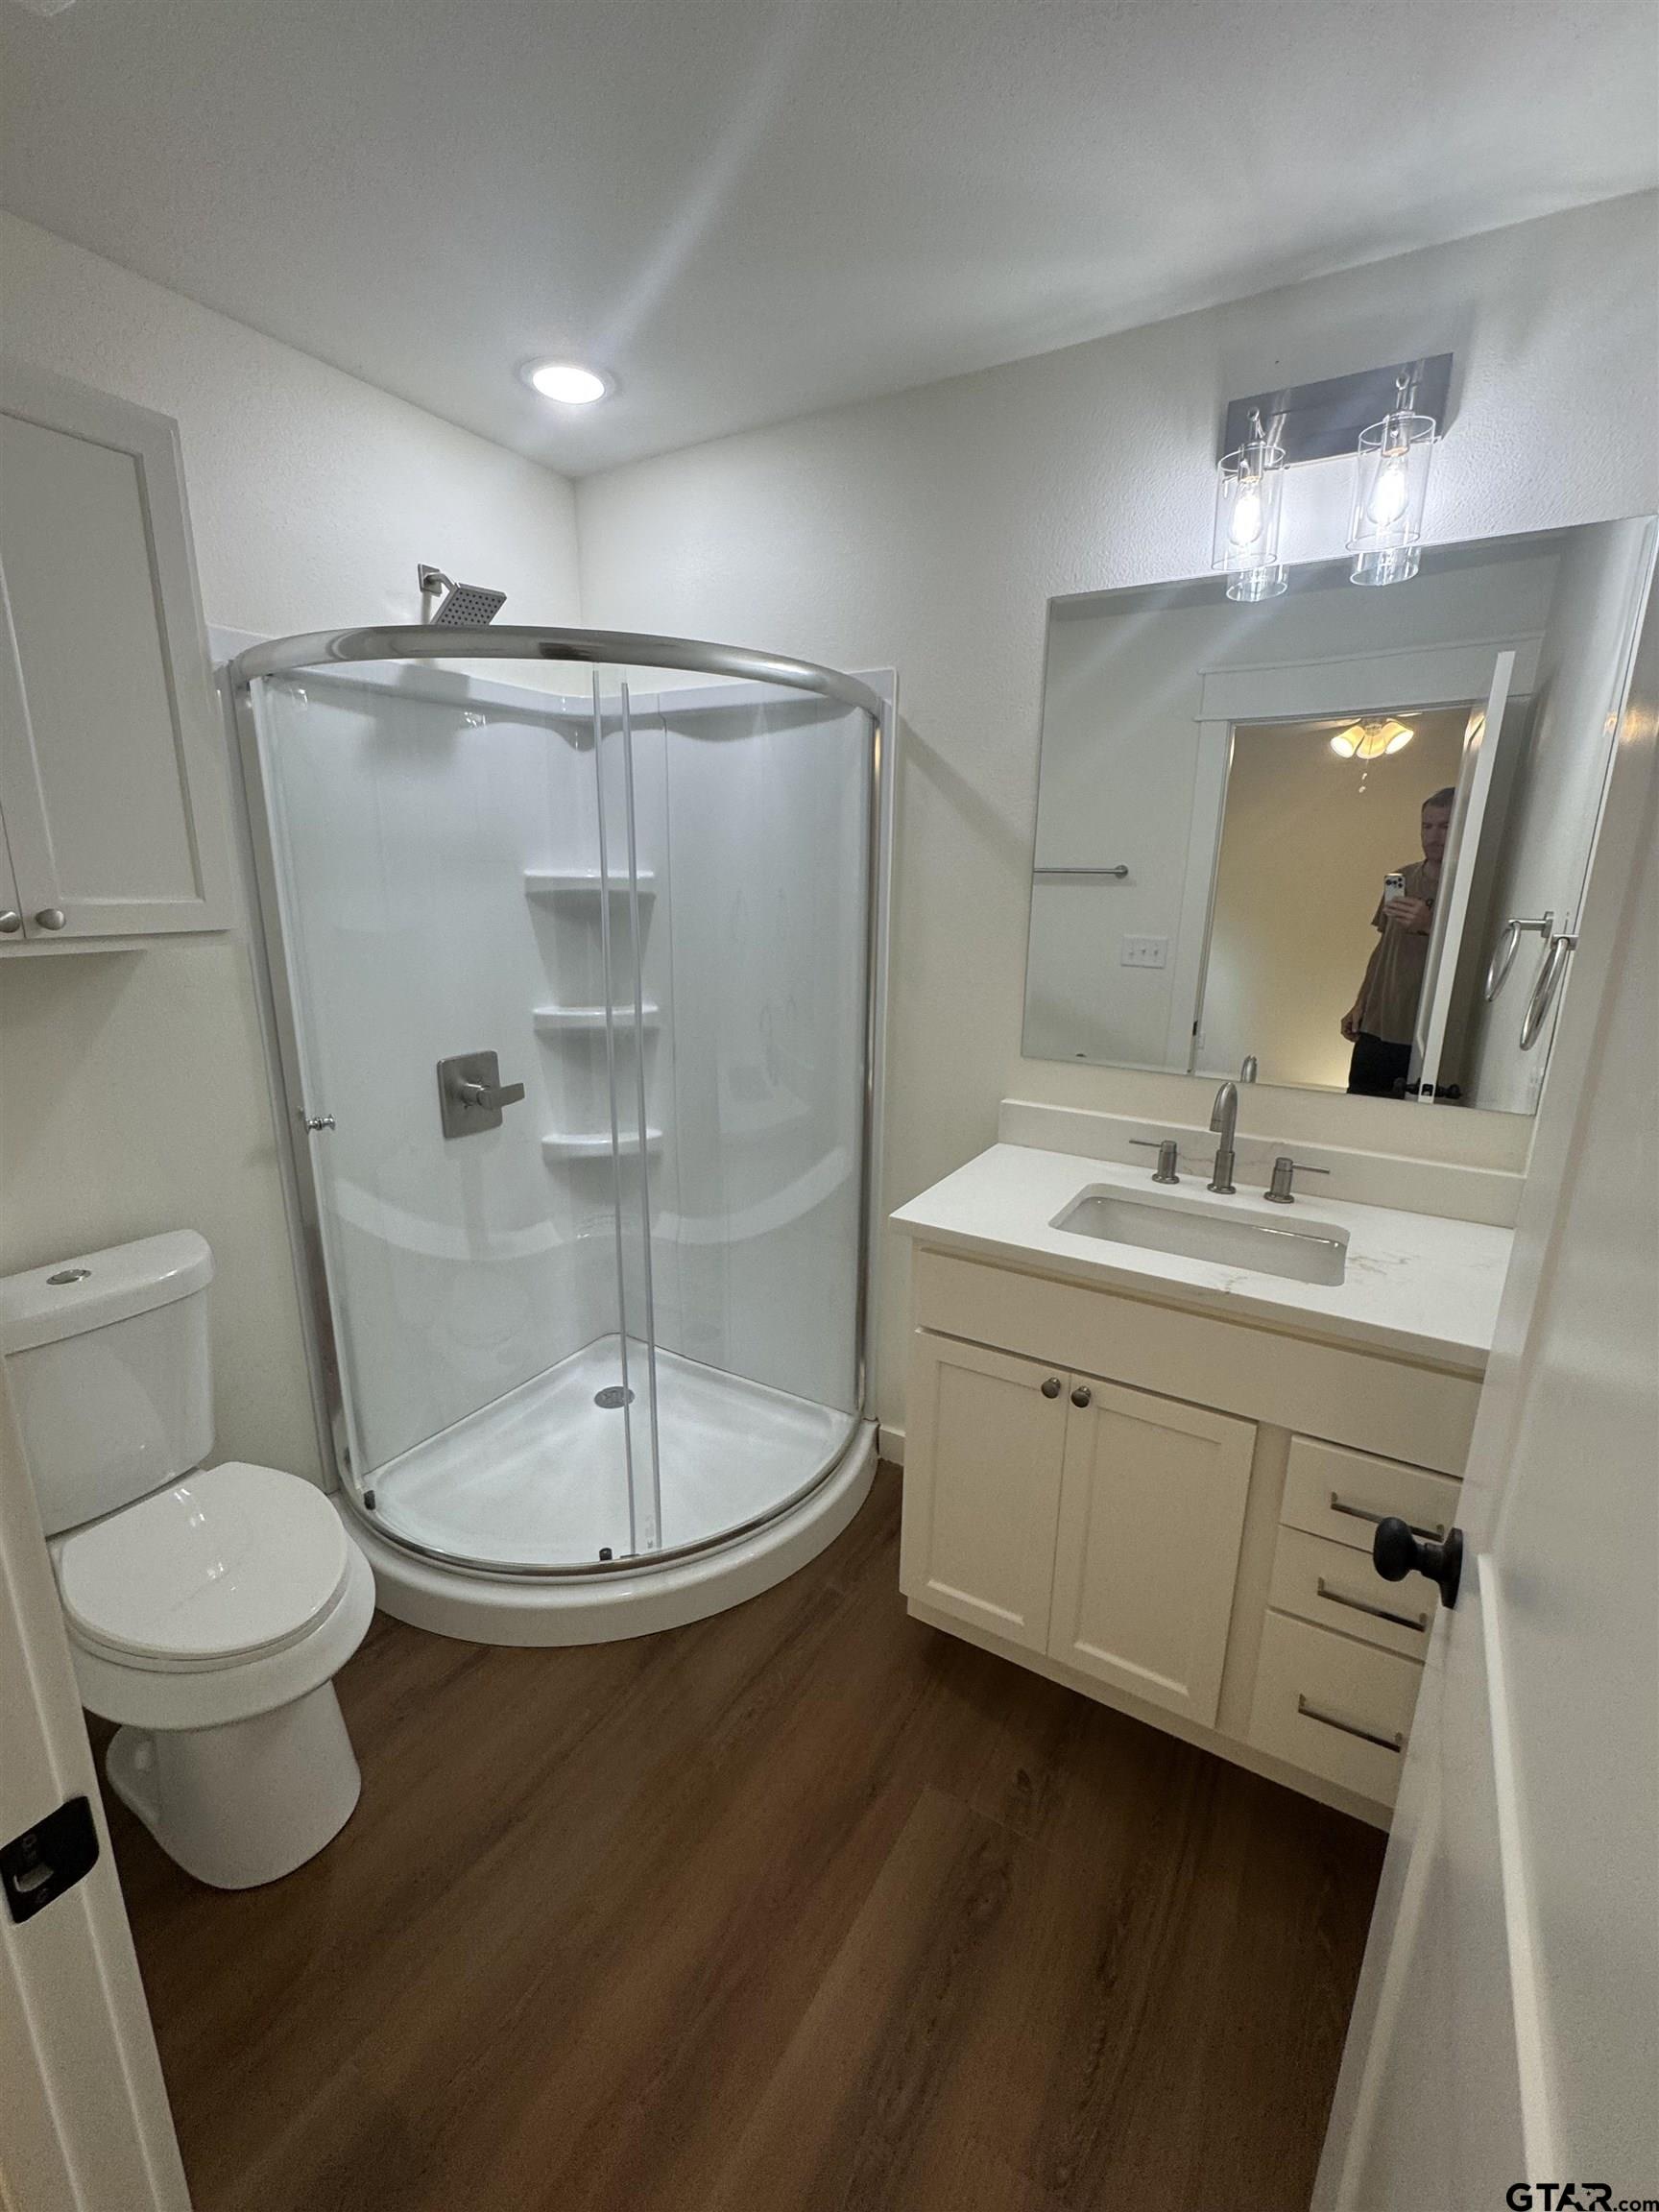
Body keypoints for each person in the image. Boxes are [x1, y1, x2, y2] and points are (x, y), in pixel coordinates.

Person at [1341, 786, 1455, 1096]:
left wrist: (1430, 925)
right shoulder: (1401, 879)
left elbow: (1472, 953)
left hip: (1419, 1031)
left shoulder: (1465, 886)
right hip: (1376, 1024)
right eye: (1427, 826)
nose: (1434, 835)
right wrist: (1360, 1003)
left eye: (1445, 826)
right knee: (1359, 1106)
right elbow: (1383, 947)